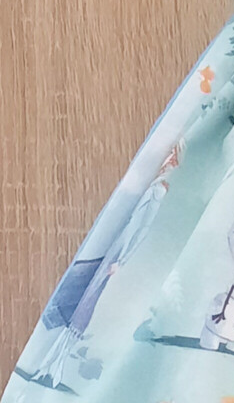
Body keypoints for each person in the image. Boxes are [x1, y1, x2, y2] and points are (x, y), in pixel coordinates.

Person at [28, 143, 181, 386]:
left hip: (118, 256)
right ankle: (49, 367)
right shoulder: (153, 188)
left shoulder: (157, 193)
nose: (168, 161)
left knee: (86, 310)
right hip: (115, 253)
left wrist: (121, 260)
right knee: (82, 307)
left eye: (172, 159)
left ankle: (54, 369)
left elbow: (139, 230)